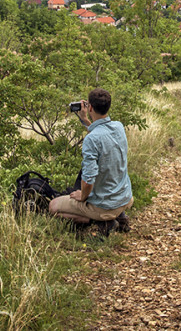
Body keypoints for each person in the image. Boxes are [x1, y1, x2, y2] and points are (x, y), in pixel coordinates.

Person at [49, 88, 133, 234]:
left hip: (104, 206)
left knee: (53, 206)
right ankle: (119, 217)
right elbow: (101, 132)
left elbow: (88, 180)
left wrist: (82, 196)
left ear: (91, 108)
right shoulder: (118, 126)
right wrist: (85, 120)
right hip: (125, 198)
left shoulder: (91, 139)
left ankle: (103, 222)